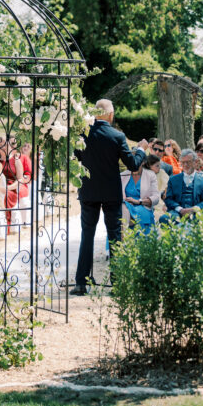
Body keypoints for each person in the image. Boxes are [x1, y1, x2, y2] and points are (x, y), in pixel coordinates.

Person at [71, 99, 148, 295]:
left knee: (86, 236)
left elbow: (77, 158)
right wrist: (140, 149)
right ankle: (118, 283)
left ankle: (81, 283)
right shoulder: (117, 136)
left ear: (95, 114)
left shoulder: (82, 135)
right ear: (111, 115)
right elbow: (132, 164)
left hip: (88, 191)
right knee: (115, 236)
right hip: (111, 193)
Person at [161, 148, 203, 222]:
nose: (185, 165)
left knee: (200, 220)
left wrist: (193, 209)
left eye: (188, 162)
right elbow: (168, 199)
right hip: (177, 212)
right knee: (165, 218)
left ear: (196, 162)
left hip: (195, 213)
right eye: (183, 162)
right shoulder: (173, 179)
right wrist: (180, 209)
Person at [120, 159, 161, 233]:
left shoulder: (150, 175)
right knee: (122, 210)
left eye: (137, 159)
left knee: (128, 215)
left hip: (143, 206)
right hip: (125, 205)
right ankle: (123, 237)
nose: (134, 162)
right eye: (132, 160)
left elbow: (156, 198)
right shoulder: (122, 175)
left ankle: (124, 237)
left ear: (143, 162)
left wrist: (138, 201)